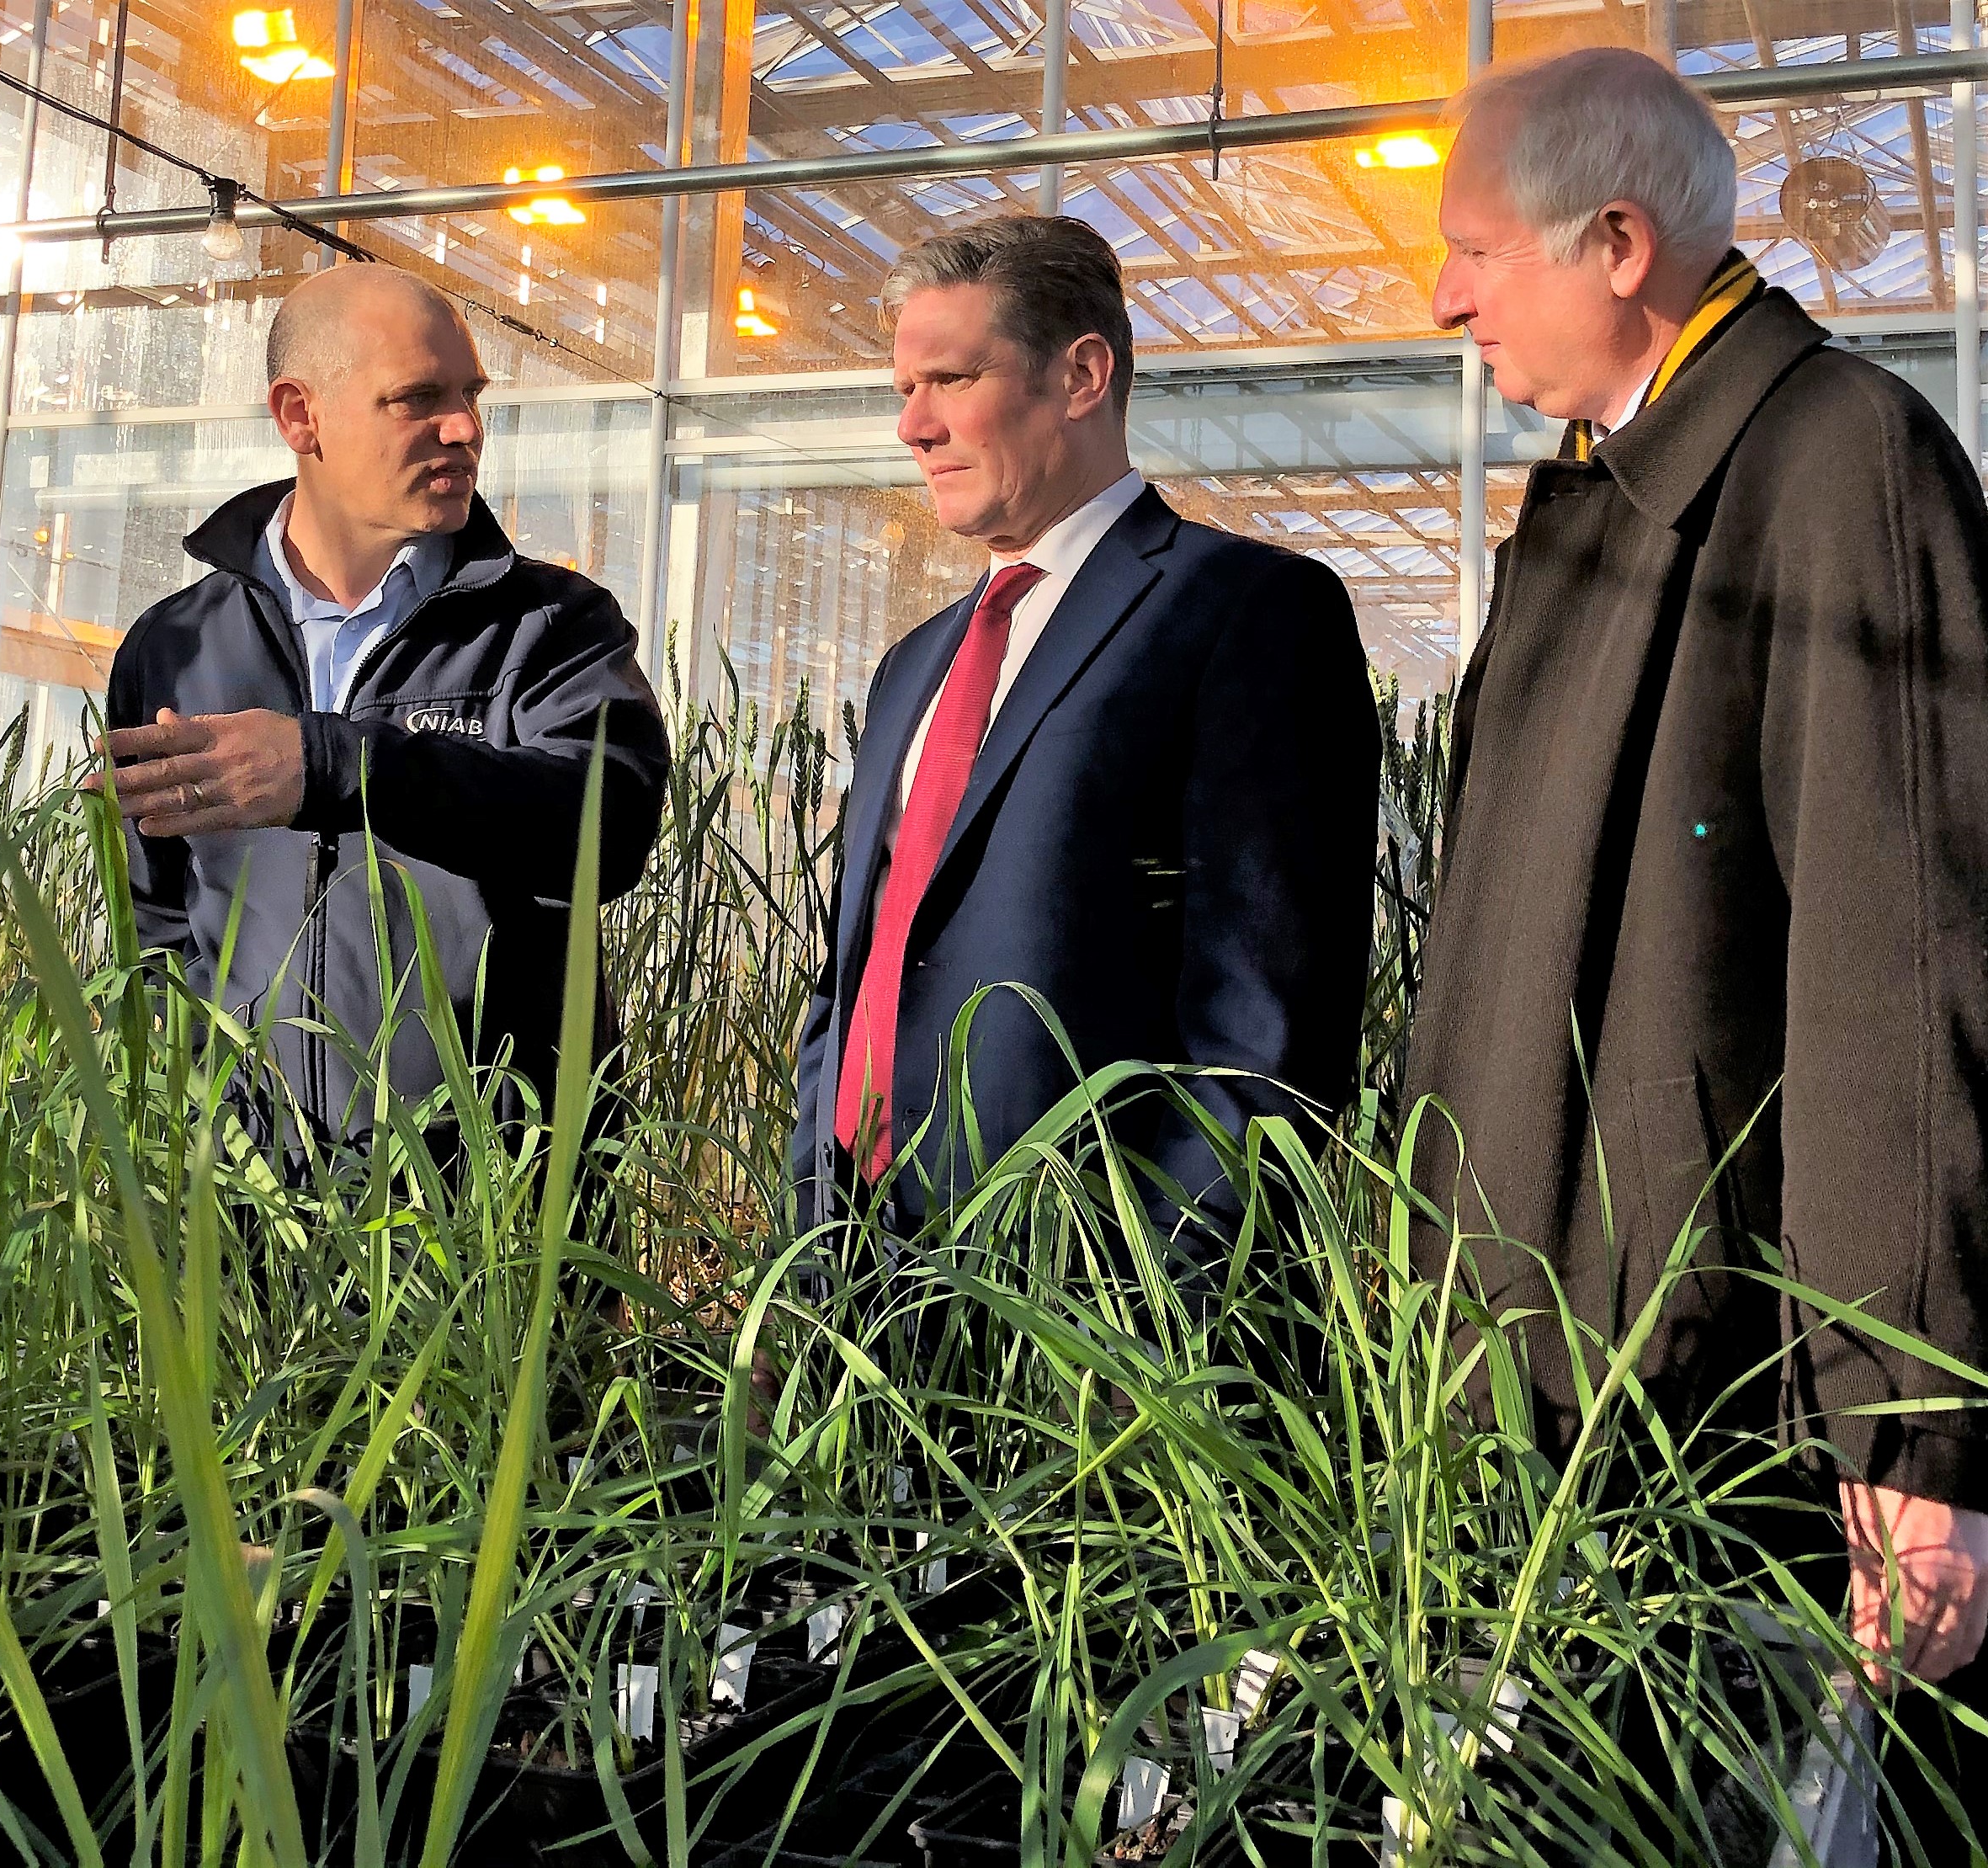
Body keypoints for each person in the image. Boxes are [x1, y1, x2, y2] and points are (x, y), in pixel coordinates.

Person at [1406, 45, 1988, 1759]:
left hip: (1716, 1394)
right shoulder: (1596, 483)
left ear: (1614, 241)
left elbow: (1906, 963)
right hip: (1539, 1364)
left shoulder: (1839, 462)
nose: (1442, 301)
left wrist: (1907, 1426)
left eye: (1471, 251)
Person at [789, 214, 1379, 1244]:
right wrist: (807, 1228)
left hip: (1082, 1302)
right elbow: (851, 967)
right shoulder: (909, 666)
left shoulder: (1241, 610)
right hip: (860, 1275)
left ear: (1079, 376)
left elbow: (1263, 1025)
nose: (911, 427)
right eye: (902, 390)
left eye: (951, 380)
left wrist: (1158, 1314)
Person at [92, 264, 669, 1146]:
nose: (464, 427)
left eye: (470, 395)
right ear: (299, 415)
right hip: (248, 1221)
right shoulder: (175, 647)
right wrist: (201, 1135)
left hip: (490, 1220)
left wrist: (332, 766)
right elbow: (156, 923)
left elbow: (606, 824)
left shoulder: (551, 628)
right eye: (416, 397)